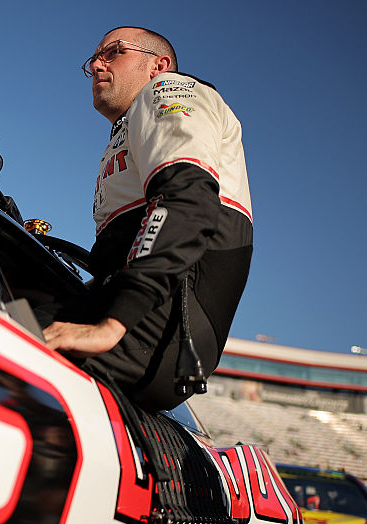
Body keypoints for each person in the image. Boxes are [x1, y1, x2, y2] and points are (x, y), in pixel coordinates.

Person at [38, 27, 253, 412]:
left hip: (158, 329)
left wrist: (112, 326)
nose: (97, 65)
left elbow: (185, 198)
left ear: (159, 65)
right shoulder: (128, 129)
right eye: (93, 60)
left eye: (114, 52)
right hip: (143, 318)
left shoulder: (167, 90)